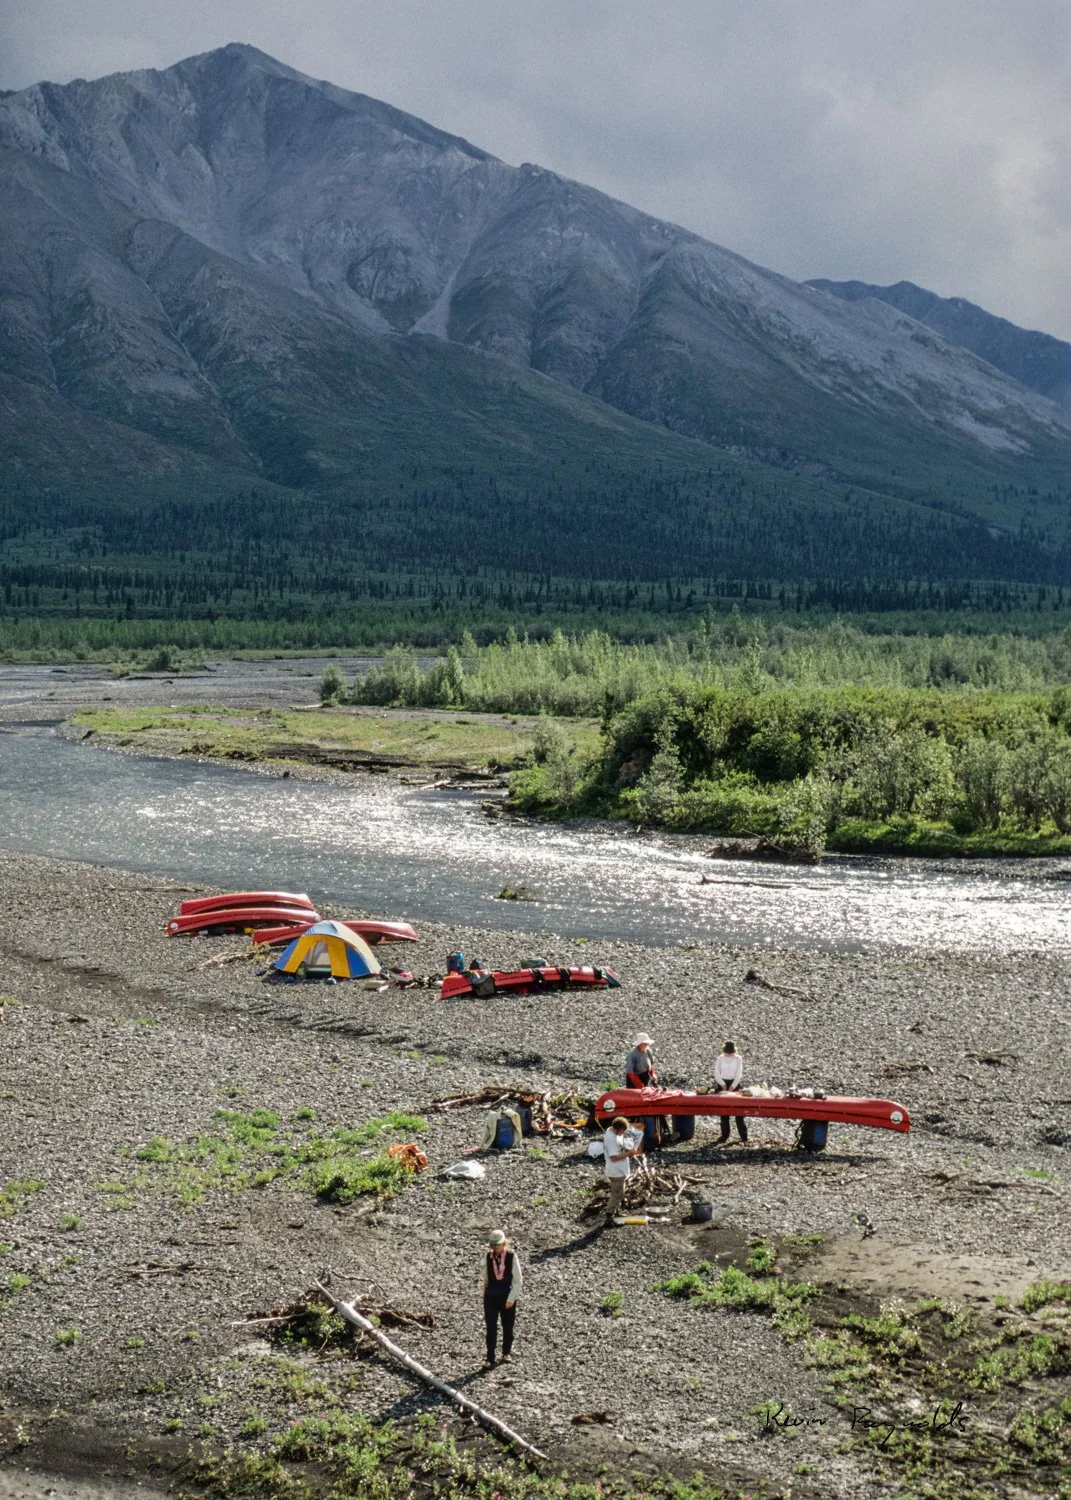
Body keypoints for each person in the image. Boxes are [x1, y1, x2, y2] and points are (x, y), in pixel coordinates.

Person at [482, 1229, 522, 1370]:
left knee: (508, 1326)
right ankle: (490, 1358)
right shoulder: (488, 1257)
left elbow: (517, 1280)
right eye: (493, 1245)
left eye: (497, 1244)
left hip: (507, 1296)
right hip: (491, 1297)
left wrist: (511, 1298)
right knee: (491, 1328)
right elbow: (485, 1277)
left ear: (504, 1243)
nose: (495, 1248)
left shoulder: (511, 1257)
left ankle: (506, 1353)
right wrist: (485, 1292)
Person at [603, 1115, 642, 1220]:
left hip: (619, 1170)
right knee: (617, 1195)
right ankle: (609, 1217)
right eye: (622, 1131)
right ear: (617, 1129)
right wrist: (629, 1153)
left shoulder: (611, 1130)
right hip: (616, 1171)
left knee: (619, 1193)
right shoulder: (611, 1140)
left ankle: (615, 1212)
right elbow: (614, 1157)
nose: (623, 1133)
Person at [713, 1040, 748, 1143]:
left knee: (739, 1113)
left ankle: (743, 1136)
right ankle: (724, 1136)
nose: (729, 1054)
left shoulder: (738, 1058)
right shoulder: (720, 1058)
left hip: (735, 1084)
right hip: (722, 1083)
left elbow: (739, 1073)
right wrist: (722, 1084)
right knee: (724, 1113)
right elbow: (716, 1072)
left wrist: (733, 1086)